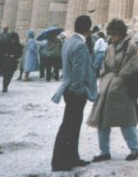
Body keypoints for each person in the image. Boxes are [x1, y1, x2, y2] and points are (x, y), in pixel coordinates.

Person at [88, 19, 138, 162]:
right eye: (109, 34)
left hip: (121, 88)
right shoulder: (109, 47)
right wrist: (104, 82)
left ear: (121, 33)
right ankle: (104, 151)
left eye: (114, 33)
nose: (111, 36)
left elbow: (131, 67)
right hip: (107, 88)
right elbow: (105, 67)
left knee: (126, 122)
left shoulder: (130, 46)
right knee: (102, 122)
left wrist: (117, 82)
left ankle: (135, 149)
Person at [51, 15, 97, 172]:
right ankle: (61, 161)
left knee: (70, 125)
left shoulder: (68, 42)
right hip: (76, 91)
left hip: (68, 88)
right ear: (88, 29)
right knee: (70, 126)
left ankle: (71, 158)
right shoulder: (80, 45)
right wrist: (80, 90)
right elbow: (79, 71)